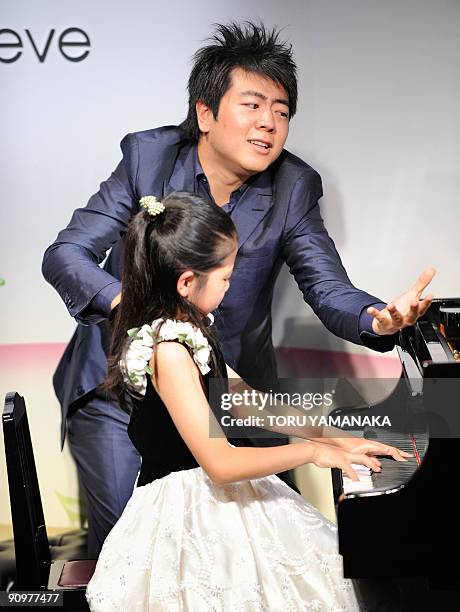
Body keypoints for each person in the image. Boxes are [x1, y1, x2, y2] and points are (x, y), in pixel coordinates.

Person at [42, 21, 434, 557]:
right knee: (140, 553)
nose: (269, 123)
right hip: (123, 395)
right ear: (205, 113)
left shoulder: (293, 187)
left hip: (230, 391)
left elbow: (328, 287)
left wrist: (378, 320)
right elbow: (65, 255)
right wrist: (146, 317)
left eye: (282, 111)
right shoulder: (147, 159)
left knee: (281, 549)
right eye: (253, 105)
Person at [85, 191, 409, 611]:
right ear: (187, 282)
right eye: (225, 277)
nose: (229, 285)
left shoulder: (190, 329)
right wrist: (312, 452)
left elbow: (246, 401)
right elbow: (220, 465)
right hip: (189, 512)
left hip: (217, 493)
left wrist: (335, 436)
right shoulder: (169, 351)